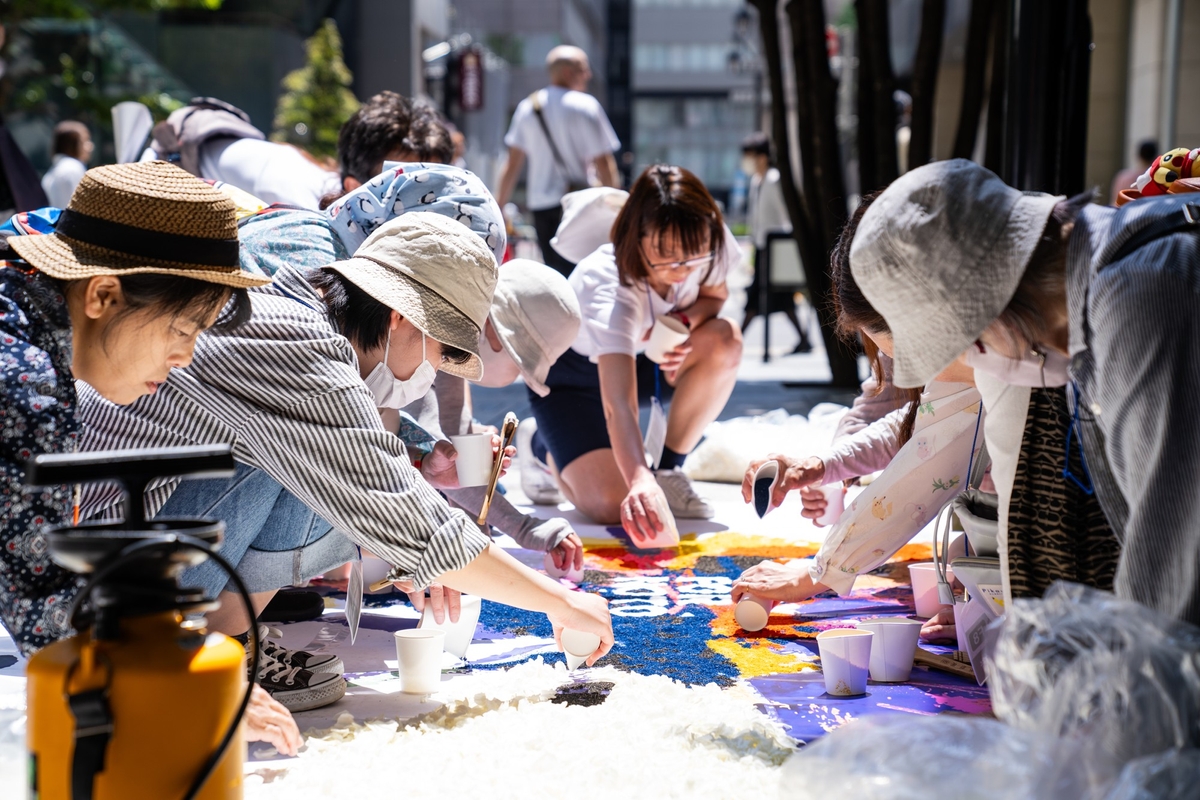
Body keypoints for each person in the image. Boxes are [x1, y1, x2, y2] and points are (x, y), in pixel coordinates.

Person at [73, 210, 614, 702]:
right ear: (400, 315)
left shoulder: (297, 313)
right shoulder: (294, 342)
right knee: (345, 489)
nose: (437, 371)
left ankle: (233, 647)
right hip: (89, 591)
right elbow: (403, 514)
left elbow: (379, 483)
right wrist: (563, 604)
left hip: (112, 548)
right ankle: (191, 653)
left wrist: (418, 516)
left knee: (332, 485)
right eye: (444, 350)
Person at [0, 160, 301, 755]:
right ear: (104, 294)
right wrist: (186, 688)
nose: (186, 357)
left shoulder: (23, 325)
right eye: (184, 329)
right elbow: (41, 598)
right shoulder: (23, 380)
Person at [849, 159, 1183, 622]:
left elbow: (1173, 554)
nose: (974, 362)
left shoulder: (1141, 298)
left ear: (994, 301)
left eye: (969, 345)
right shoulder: (1099, 292)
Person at [238, 164, 583, 572]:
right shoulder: (329, 299)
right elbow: (361, 458)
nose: (444, 364)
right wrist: (437, 543)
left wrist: (436, 472)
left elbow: (439, 445)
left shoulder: (376, 307)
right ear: (494, 334)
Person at [526, 165, 743, 541]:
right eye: (665, 254)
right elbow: (619, 405)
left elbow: (714, 296)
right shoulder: (608, 281)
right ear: (636, 235)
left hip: (648, 360)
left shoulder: (708, 237)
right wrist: (639, 479)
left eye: (694, 257)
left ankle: (670, 469)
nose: (681, 270)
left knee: (725, 339)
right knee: (613, 504)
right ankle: (541, 446)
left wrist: (681, 325)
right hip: (570, 381)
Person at [496, 45, 621, 276]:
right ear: (567, 72)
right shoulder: (586, 105)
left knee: (554, 272)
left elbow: (512, 163)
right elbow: (604, 162)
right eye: (583, 69)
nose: (589, 75)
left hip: (541, 203)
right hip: (579, 202)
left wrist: (499, 205)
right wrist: (616, 203)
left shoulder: (528, 108)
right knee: (585, 270)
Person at [738, 132, 809, 352]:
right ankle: (804, 340)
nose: (747, 161)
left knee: (764, 296)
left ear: (762, 156)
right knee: (780, 298)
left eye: (750, 155)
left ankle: (737, 340)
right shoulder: (757, 180)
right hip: (762, 246)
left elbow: (785, 216)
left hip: (776, 247)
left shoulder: (774, 179)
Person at [41, 121, 92, 208]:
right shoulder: (73, 168)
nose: (90, 146)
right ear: (71, 144)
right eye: (85, 141)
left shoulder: (56, 169)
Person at [1110, 139, 1158, 205]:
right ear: (1156, 156)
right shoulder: (1159, 181)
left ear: (1139, 156)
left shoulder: (1124, 177)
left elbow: (1115, 203)